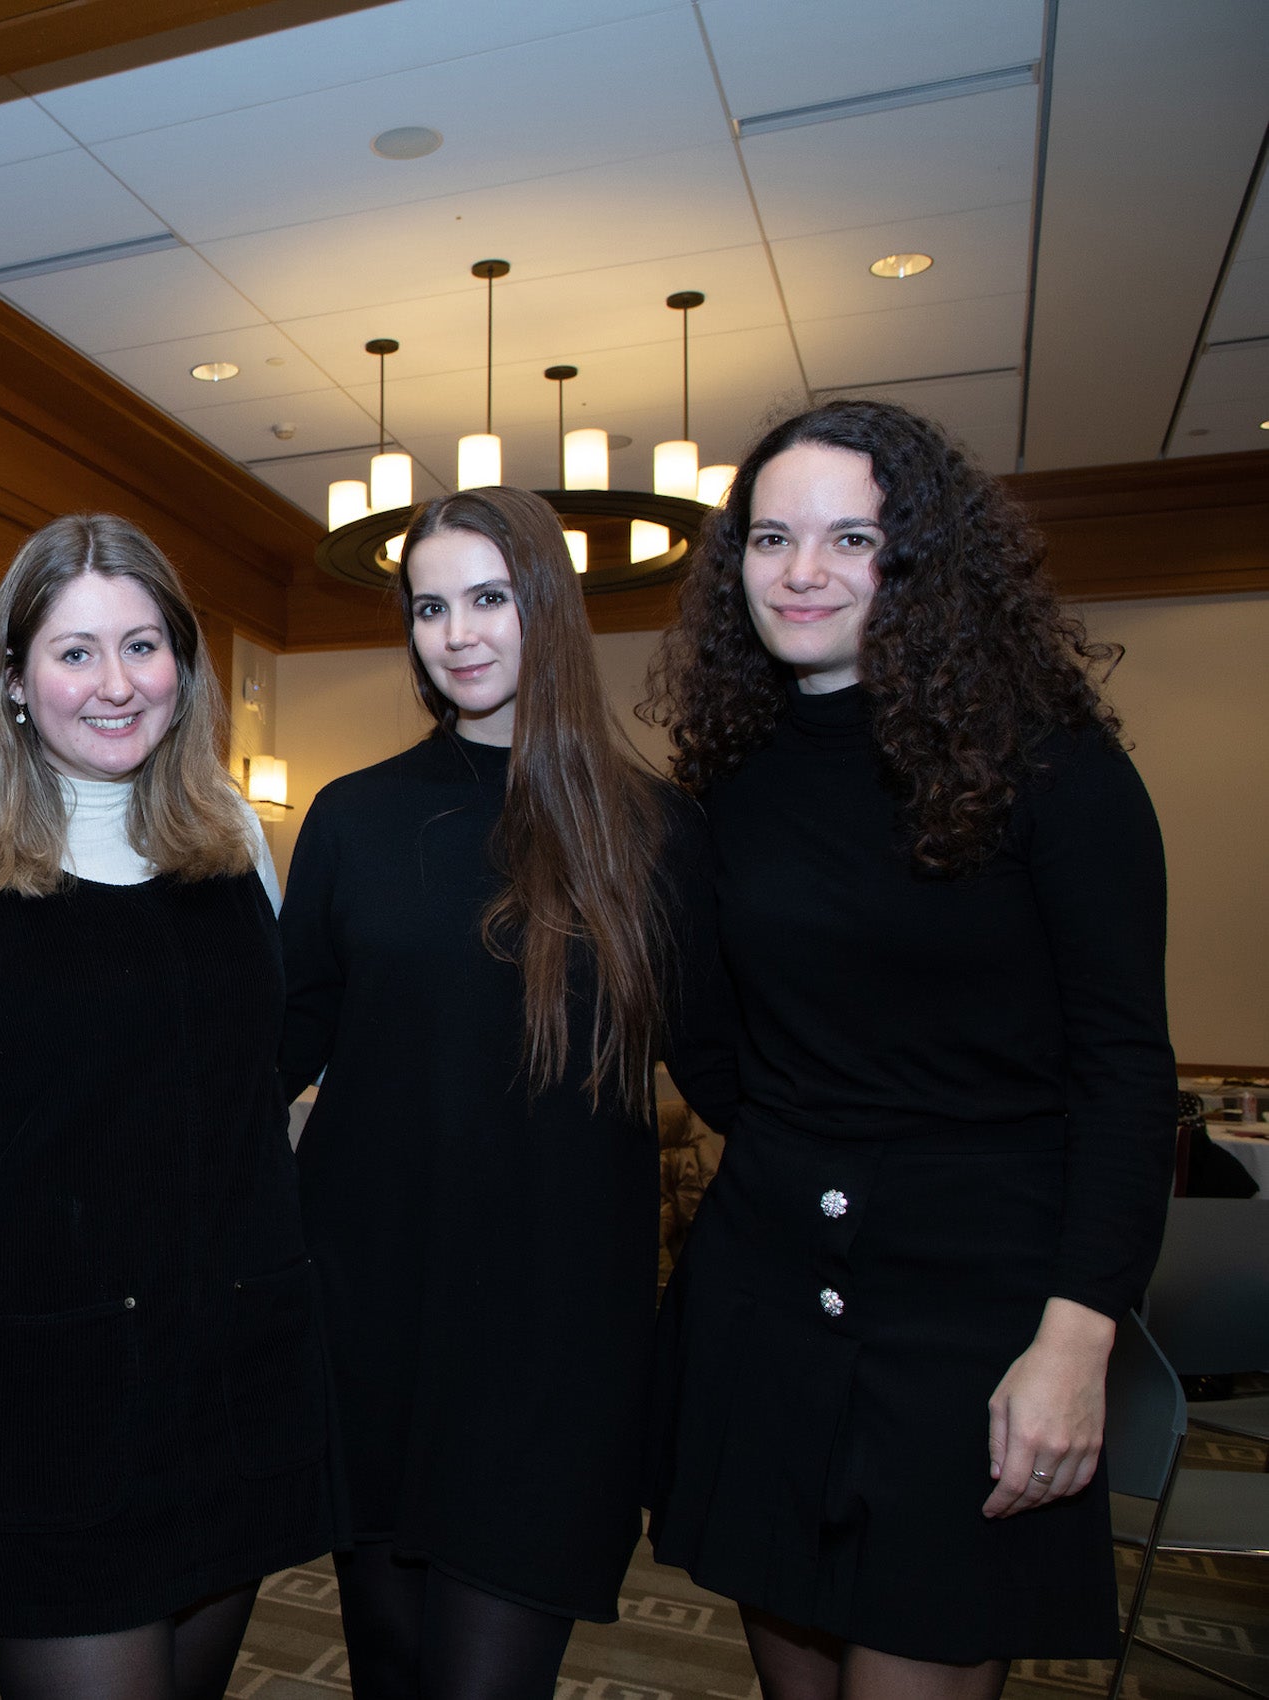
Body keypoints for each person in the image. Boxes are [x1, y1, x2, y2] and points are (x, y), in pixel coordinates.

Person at [643, 399, 1175, 1690]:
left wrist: (1074, 1340)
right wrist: (794, 1145)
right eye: (770, 538)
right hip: (769, 1286)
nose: (802, 570)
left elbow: (1122, 1068)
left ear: (920, 558)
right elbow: (704, 1034)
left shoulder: (1052, 764)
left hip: (978, 1308)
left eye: (848, 537)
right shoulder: (730, 778)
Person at [279, 487, 703, 1699]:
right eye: (429, 605)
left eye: (489, 597)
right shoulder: (356, 817)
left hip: (555, 1337)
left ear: (549, 610)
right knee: (393, 1661)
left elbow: (737, 1060)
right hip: (370, 1309)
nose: (457, 632)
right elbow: (276, 1041)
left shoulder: (653, 829)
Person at [0, 513, 338, 1700]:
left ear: (184, 668)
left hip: (233, 1369)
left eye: (143, 645)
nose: (117, 684)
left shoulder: (240, 844)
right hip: (52, 1399)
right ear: (12, 679)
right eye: (74, 652)